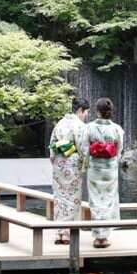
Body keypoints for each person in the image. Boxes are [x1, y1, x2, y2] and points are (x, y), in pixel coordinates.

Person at [81, 97, 124, 248]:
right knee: (108, 200)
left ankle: (98, 235)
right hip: (110, 169)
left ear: (97, 111)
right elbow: (119, 150)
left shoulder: (89, 128)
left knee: (96, 200)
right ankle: (104, 236)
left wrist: (85, 166)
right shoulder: (116, 129)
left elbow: (84, 149)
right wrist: (113, 160)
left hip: (95, 169)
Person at [49, 97, 89, 245]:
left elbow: (52, 145)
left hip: (59, 164)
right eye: (86, 112)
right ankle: (67, 233)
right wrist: (85, 164)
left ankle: (59, 231)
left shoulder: (60, 123)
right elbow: (84, 148)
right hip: (72, 164)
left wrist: (55, 161)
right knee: (73, 198)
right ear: (81, 110)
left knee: (60, 197)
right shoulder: (80, 126)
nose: (85, 116)